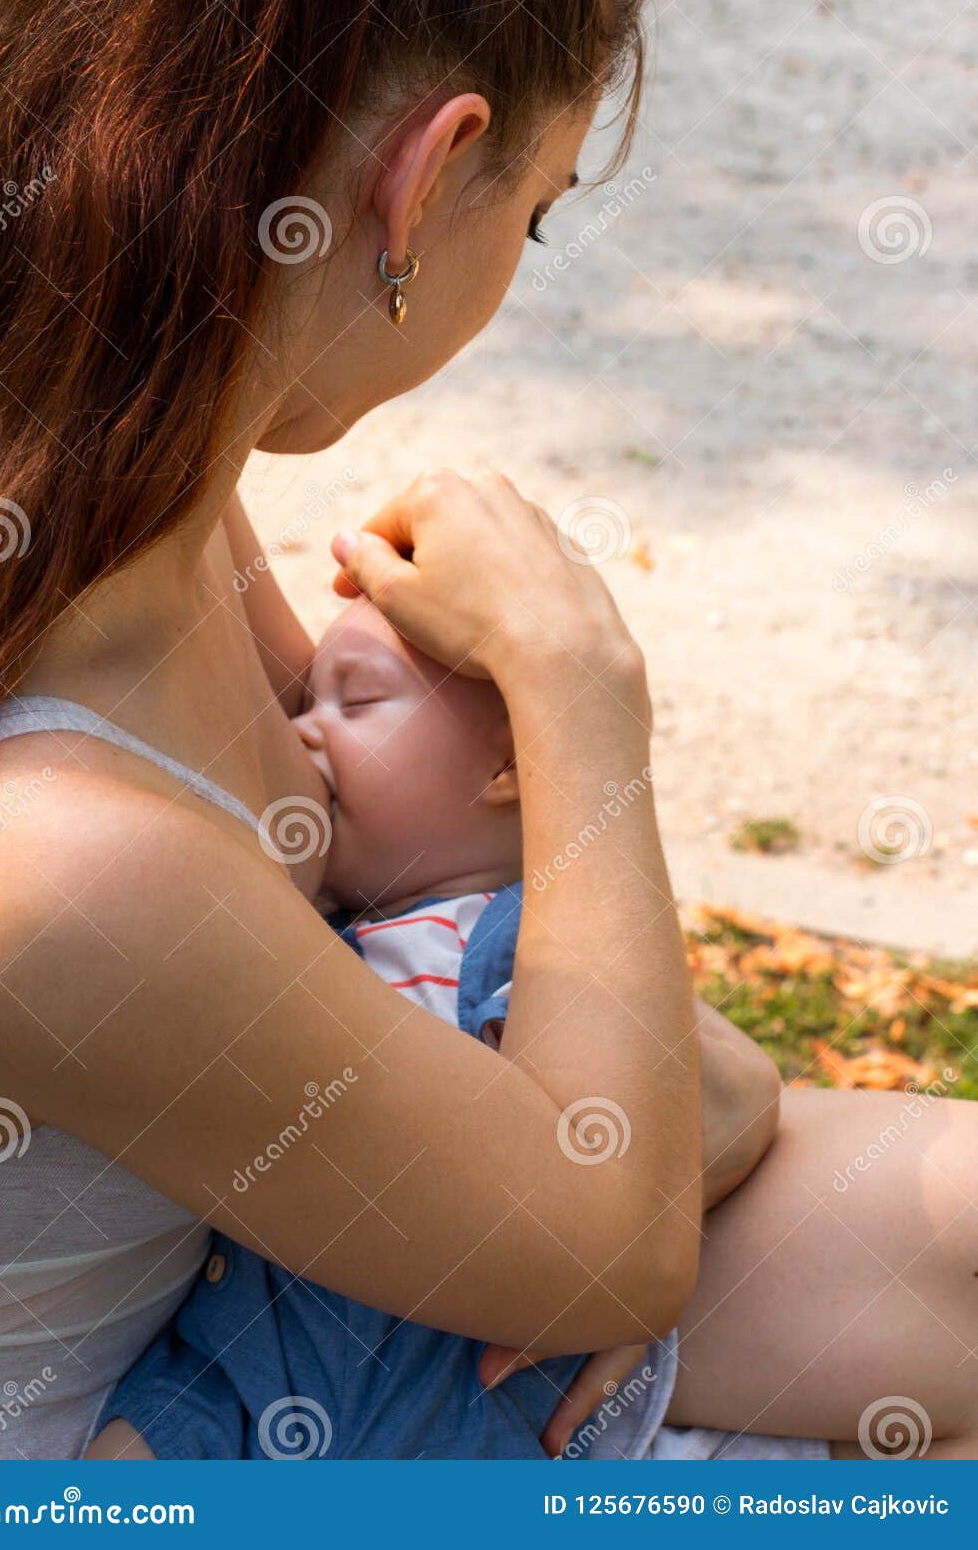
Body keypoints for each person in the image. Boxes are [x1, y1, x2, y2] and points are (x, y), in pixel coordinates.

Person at [0, 0, 974, 1464]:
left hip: (275, 1334)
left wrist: (698, 1106)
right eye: (534, 213)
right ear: (425, 178)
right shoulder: (50, 851)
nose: (516, 257)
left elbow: (445, 969)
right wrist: (574, 691)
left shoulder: (119, 511)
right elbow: (602, 1235)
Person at [86, 600, 787, 1461]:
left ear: (509, 764)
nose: (301, 732)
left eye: (358, 702)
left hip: (455, 1411)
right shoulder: (296, 915)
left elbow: (703, 1096)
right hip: (233, 1378)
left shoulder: (536, 946)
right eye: (303, 703)